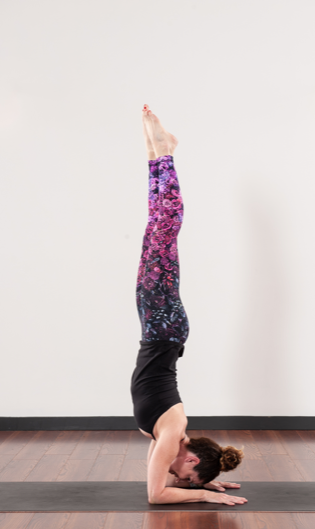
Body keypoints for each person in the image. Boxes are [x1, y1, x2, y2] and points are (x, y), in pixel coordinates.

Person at [130, 104, 247, 507]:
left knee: (157, 225)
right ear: (192, 458)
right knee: (167, 223)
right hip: (163, 325)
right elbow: (156, 495)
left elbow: (164, 482)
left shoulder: (172, 435)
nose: (181, 477)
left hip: (163, 327)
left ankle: (156, 153)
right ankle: (165, 153)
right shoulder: (170, 432)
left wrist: (204, 484)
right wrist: (205, 498)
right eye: (189, 475)